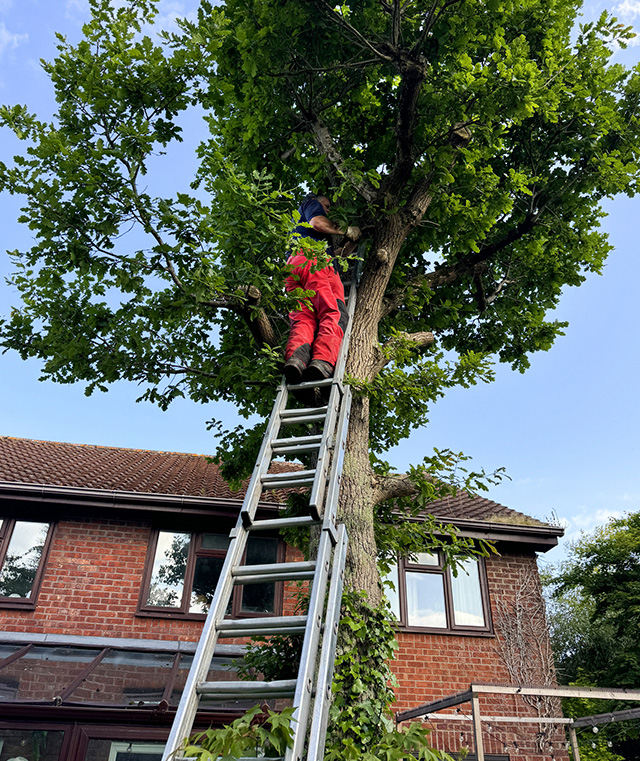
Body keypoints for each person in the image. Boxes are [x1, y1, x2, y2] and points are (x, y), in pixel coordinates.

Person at [283, 193, 361, 386]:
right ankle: (322, 360)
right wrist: (345, 230)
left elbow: (339, 255)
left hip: (294, 266)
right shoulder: (310, 206)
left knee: (304, 318)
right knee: (334, 312)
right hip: (316, 263)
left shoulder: (300, 232)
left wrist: (353, 240)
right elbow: (318, 222)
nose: (327, 210)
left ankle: (296, 360)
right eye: (326, 206)